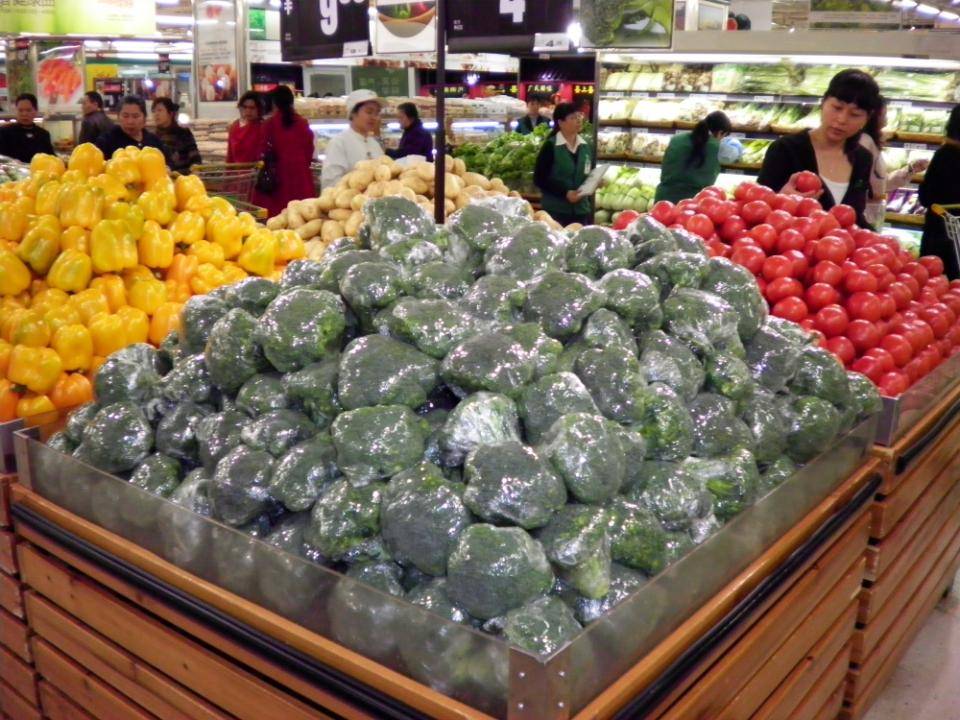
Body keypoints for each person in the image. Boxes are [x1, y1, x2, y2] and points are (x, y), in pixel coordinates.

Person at [758, 69, 881, 228]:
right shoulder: (785, 149)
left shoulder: (863, 158)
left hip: (841, 243)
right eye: (837, 108)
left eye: (855, 114)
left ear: (866, 119)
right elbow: (756, 211)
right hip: (792, 241)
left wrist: (878, 239)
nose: (842, 119)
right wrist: (780, 199)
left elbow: (855, 217)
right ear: (823, 103)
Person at [860, 98, 929, 228]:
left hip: (870, 213)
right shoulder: (863, 144)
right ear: (873, 116)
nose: (886, 120)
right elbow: (872, 185)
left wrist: (910, 169)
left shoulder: (871, 143)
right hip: (862, 213)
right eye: (884, 114)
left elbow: (881, 182)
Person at [533, 103, 593, 227]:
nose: (578, 120)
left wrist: (595, 181)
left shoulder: (586, 146)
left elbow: (588, 172)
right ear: (560, 122)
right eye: (573, 117)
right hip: (556, 213)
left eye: (579, 116)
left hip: (581, 211)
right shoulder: (550, 146)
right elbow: (539, 179)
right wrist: (565, 193)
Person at [260, 85, 316, 217]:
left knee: (280, 217)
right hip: (301, 174)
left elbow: (263, 149)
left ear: (274, 103)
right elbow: (309, 149)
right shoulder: (302, 122)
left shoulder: (269, 124)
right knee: (303, 216)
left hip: (279, 175)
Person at [918, 105, 960, 279]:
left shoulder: (943, 155)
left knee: (934, 282)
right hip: (949, 235)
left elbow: (925, 196)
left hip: (937, 233)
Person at [655, 111, 732, 203]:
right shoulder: (717, 148)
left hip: (663, 199)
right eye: (724, 136)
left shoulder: (676, 139)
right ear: (720, 132)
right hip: (694, 203)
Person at [320, 89, 384, 191]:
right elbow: (330, 183)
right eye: (369, 112)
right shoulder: (339, 143)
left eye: (377, 113)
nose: (374, 117)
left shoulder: (375, 145)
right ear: (353, 113)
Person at [95, 96, 169, 161]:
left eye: (135, 116)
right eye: (125, 116)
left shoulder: (154, 141)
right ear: (118, 117)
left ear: (144, 118)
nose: (130, 121)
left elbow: (168, 165)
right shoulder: (106, 141)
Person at [0, 94, 55, 163]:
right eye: (20, 110)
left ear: (36, 111)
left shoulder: (44, 134)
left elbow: (51, 159)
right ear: (16, 111)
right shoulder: (5, 133)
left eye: (28, 110)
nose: (24, 114)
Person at [152, 98, 202, 174]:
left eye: (160, 110)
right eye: (154, 111)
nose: (156, 114)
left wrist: (195, 168)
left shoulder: (183, 133)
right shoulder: (153, 137)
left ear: (170, 113)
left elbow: (194, 155)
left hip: (184, 176)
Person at [227, 91, 266, 164]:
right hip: (236, 169)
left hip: (255, 169)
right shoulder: (234, 127)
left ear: (259, 109)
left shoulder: (263, 127)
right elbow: (230, 155)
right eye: (245, 107)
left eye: (252, 108)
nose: (248, 111)